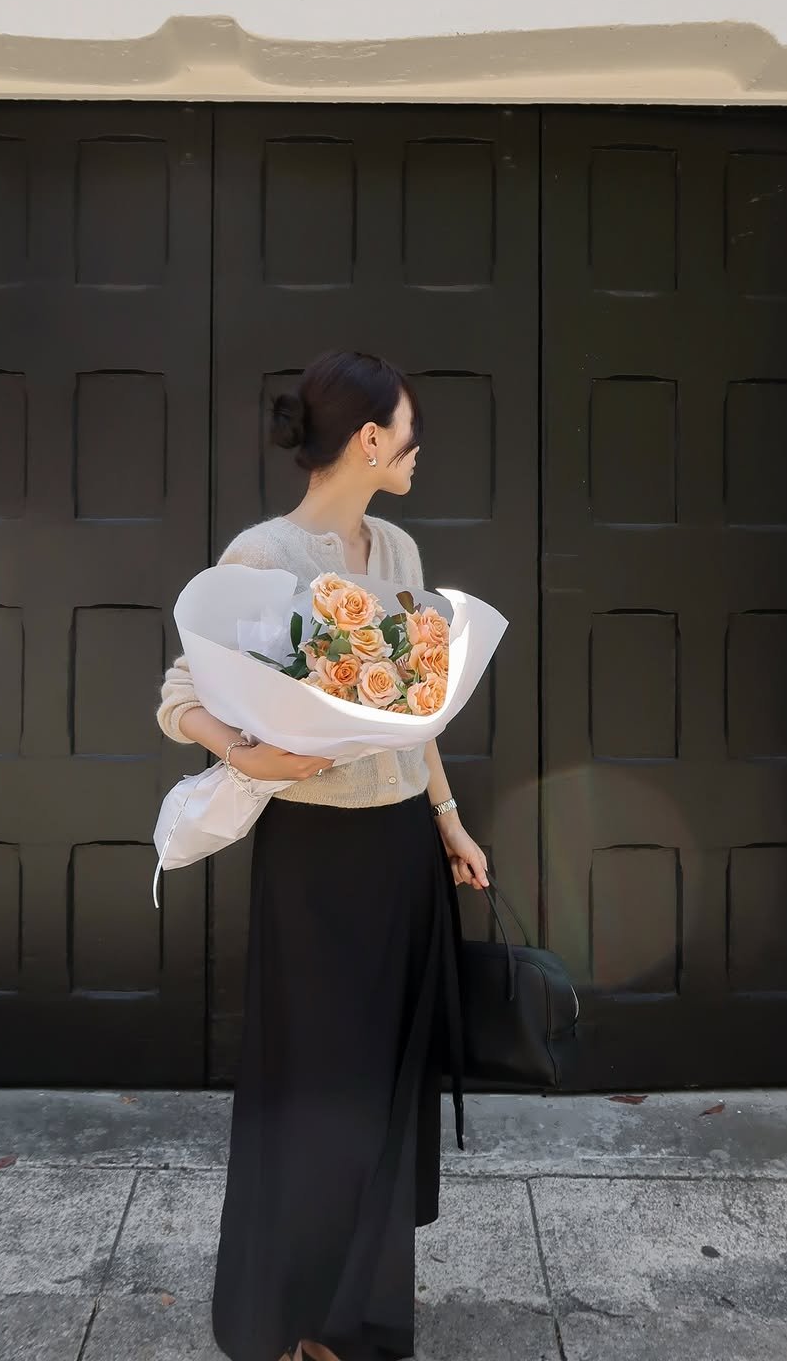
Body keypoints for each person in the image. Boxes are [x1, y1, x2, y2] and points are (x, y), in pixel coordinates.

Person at [154, 349, 491, 1361]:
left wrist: (447, 817)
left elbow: (419, 708)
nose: (419, 449)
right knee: (315, 1092)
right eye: (411, 431)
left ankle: (358, 1320)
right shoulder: (263, 555)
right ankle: (292, 1316)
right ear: (371, 439)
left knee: (382, 1087)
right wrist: (251, 751)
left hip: (399, 854)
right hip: (312, 864)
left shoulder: (397, 550)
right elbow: (179, 697)